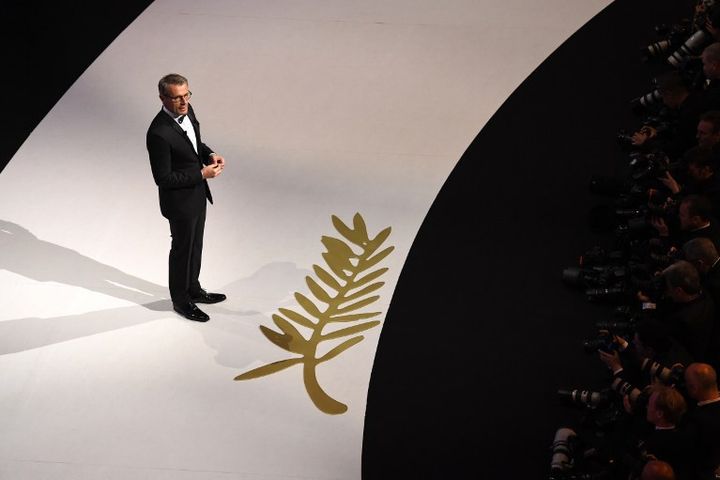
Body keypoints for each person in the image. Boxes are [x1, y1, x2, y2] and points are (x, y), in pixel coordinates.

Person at [146, 73, 227, 322]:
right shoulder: (158, 133)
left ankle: (193, 289)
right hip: (179, 202)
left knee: (196, 245)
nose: (183, 102)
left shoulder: (189, 112)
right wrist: (201, 173)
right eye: (177, 98)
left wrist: (210, 154)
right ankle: (181, 301)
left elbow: (194, 145)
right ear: (162, 98)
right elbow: (164, 179)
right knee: (182, 249)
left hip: (198, 194)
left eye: (186, 95)